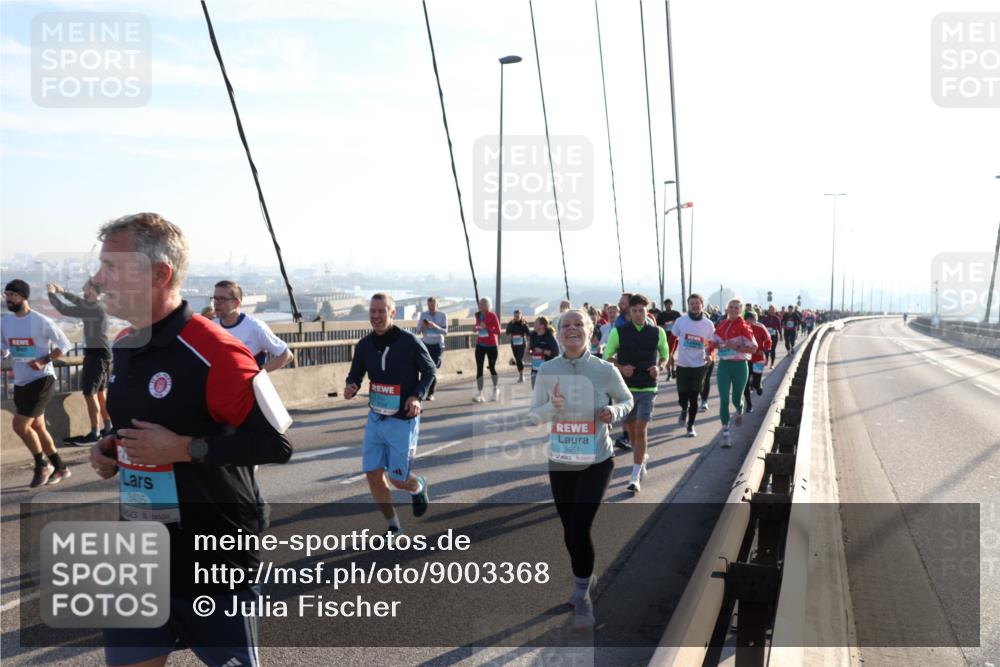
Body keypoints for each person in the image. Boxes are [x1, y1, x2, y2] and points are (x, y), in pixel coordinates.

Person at [87, 213, 293, 666]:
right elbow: (136, 422)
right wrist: (110, 448)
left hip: (212, 549)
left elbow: (276, 444)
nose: (98, 280)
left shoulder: (218, 350)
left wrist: (185, 449)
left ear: (160, 275)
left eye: (112, 268)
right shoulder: (125, 344)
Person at [527, 309, 632, 629]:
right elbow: (534, 416)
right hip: (561, 461)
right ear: (559, 333)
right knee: (568, 529)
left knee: (579, 528)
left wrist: (613, 411)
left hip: (597, 461)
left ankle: (582, 596)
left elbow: (627, 400)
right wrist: (551, 408)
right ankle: (585, 578)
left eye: (578, 325)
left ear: (590, 331)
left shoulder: (604, 370)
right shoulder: (547, 370)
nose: (572, 329)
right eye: (565, 326)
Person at [345, 292, 435, 537]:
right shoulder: (364, 345)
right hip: (376, 417)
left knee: (398, 479)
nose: (376, 316)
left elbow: (430, 372)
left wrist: (417, 396)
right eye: (372, 311)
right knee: (373, 475)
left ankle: (417, 487)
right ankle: (393, 526)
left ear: (392, 313)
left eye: (381, 311)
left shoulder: (410, 342)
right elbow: (356, 374)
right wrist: (352, 385)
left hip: (402, 420)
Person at [2, 279, 73, 487]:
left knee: (20, 425)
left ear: (23, 296)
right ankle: (60, 467)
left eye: (12, 295)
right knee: (38, 427)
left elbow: (65, 344)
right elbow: (4, 348)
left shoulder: (41, 321)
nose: (8, 299)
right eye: (6, 295)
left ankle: (41, 465)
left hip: (42, 379)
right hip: (21, 380)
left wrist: (44, 359)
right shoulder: (5, 322)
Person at [603, 293, 669, 494]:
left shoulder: (657, 332)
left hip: (648, 387)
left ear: (647, 311)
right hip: (626, 389)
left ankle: (634, 476)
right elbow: (607, 357)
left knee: (641, 428)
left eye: (642, 310)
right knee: (631, 429)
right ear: (629, 312)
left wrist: (660, 367)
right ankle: (642, 457)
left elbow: (665, 355)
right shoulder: (619, 332)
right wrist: (622, 367)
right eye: (635, 311)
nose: (639, 314)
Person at [47, 279, 113, 445]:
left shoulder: (93, 308)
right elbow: (80, 301)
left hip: (96, 356)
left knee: (89, 394)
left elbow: (63, 309)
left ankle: (94, 433)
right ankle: (108, 429)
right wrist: (62, 292)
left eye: (85, 287)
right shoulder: (98, 306)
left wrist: (51, 294)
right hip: (103, 355)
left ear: (91, 289)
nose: (82, 290)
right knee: (100, 393)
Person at [213, 280, 293, 372]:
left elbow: (286, 355)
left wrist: (256, 374)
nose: (216, 303)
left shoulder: (255, 327)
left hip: (247, 385)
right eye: (215, 298)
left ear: (236, 303)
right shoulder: (212, 325)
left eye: (222, 299)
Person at [712, 298, 758, 448]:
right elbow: (713, 343)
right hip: (724, 365)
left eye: (736, 308)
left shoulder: (745, 328)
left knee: (736, 399)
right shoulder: (722, 325)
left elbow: (753, 349)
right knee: (724, 399)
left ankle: (739, 408)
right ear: (727, 309)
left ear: (740, 310)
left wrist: (736, 346)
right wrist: (714, 346)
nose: (733, 310)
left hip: (740, 366)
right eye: (730, 307)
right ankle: (726, 434)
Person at [669, 293, 716, 437]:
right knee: (682, 398)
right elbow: (673, 338)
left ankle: (690, 426)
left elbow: (710, 343)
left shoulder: (708, 324)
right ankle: (684, 409)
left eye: (697, 303)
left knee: (694, 397)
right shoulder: (681, 321)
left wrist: (710, 354)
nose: (695, 306)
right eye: (692, 304)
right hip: (683, 365)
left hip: (699, 366)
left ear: (702, 305)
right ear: (688, 305)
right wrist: (670, 355)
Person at [416, 296, 448, 399]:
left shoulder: (443, 315)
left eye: (433, 305)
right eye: (429, 305)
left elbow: (445, 331)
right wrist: (422, 326)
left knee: (432, 368)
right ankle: (423, 391)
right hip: (425, 344)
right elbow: (417, 331)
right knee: (425, 368)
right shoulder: (423, 315)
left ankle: (431, 393)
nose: (431, 307)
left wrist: (435, 326)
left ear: (437, 305)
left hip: (437, 346)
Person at [472, 297, 502, 403]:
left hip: (491, 345)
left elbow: (498, 331)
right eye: (479, 303)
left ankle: (495, 389)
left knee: (492, 368)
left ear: (486, 305)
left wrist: (487, 327)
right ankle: (480, 393)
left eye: (480, 304)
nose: (478, 305)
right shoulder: (478, 315)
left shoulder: (492, 315)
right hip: (480, 344)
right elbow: (476, 326)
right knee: (479, 368)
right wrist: (475, 328)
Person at [742, 310, 772, 414]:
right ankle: (749, 405)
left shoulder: (760, 328)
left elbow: (768, 341)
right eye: (748, 319)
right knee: (745, 384)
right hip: (745, 359)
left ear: (756, 320)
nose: (750, 322)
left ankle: (758, 385)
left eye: (752, 319)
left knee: (756, 384)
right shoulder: (741, 328)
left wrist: (763, 350)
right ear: (744, 320)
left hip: (758, 359)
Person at [528, 316, 559, 389]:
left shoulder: (549, 337)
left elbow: (555, 352)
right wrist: (530, 351)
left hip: (547, 369)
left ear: (542, 325)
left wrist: (542, 351)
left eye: (536, 323)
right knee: (535, 390)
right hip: (535, 368)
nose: (534, 325)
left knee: (547, 392)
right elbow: (530, 349)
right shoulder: (533, 335)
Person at [656, 299, 681, 379]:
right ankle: (670, 372)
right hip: (665, 337)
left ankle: (672, 371)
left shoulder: (676, 314)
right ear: (664, 305)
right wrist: (664, 326)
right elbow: (658, 326)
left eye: (670, 304)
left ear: (672, 305)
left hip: (674, 337)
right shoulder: (661, 315)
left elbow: (681, 324)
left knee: (671, 354)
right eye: (666, 305)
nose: (668, 306)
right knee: (667, 355)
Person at [505, 309, 530, 383]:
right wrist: (511, 325)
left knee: (519, 359)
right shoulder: (511, 323)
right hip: (514, 344)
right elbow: (507, 332)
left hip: (522, 344)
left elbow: (528, 333)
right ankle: (520, 374)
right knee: (518, 360)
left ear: (521, 315)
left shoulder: (524, 323)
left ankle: (521, 376)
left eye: (518, 316)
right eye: (515, 316)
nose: (516, 317)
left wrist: (525, 326)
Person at [761, 305, 782, 369]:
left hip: (774, 336)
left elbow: (779, 327)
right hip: (767, 336)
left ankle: (772, 364)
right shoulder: (766, 318)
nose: (771, 311)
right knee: (766, 350)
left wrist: (781, 335)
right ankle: (766, 360)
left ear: (775, 311)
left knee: (772, 350)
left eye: (772, 310)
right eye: (770, 310)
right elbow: (763, 327)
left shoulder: (777, 318)